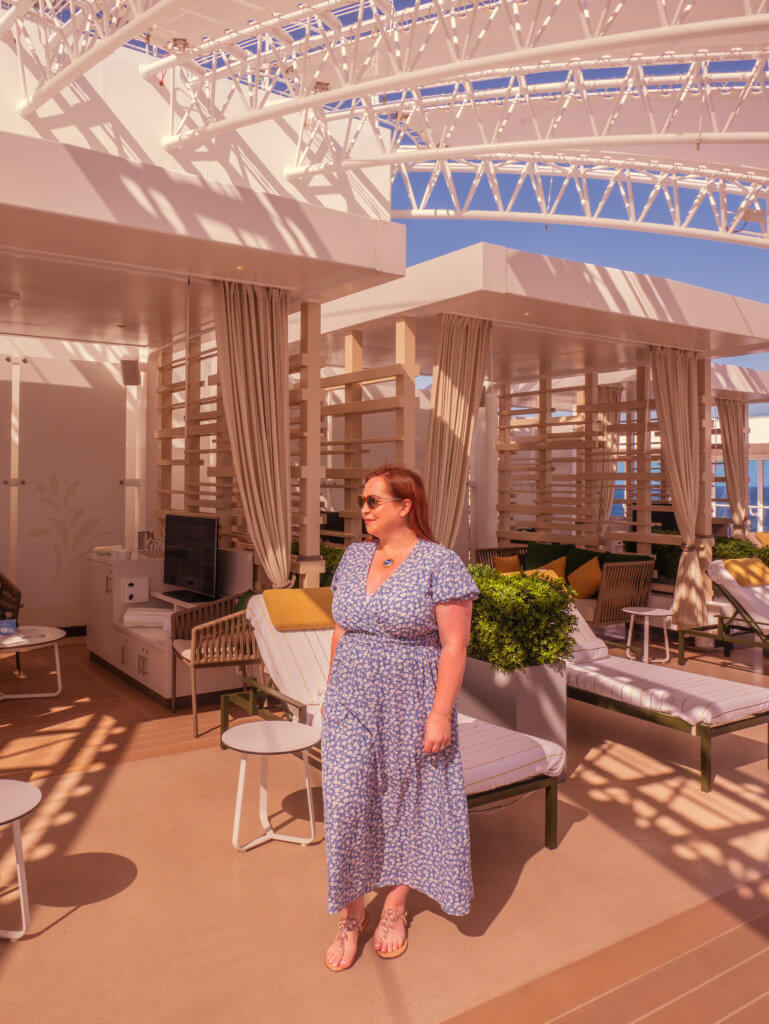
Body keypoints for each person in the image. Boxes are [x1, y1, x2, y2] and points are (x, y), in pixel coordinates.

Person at [322, 465, 480, 971]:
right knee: (347, 804)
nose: (363, 509)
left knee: (408, 804)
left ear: (404, 505)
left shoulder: (441, 563)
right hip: (350, 701)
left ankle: (393, 907)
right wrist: (331, 689)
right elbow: (340, 628)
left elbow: (455, 646)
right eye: (362, 501)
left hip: (412, 703)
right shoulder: (352, 557)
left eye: (372, 500)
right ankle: (351, 914)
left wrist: (440, 714)